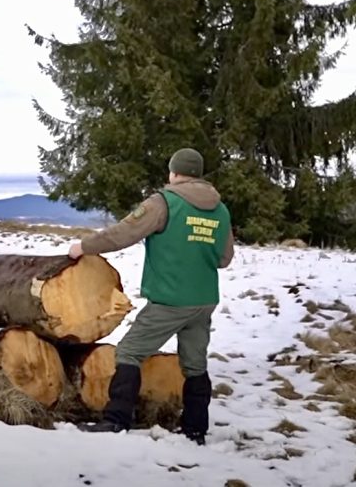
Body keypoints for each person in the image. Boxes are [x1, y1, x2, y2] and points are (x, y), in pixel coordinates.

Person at [68, 148, 234, 445]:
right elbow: (224, 258)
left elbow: (123, 234)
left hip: (171, 299)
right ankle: (196, 428)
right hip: (204, 299)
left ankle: (117, 420)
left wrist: (85, 246)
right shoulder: (220, 210)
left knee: (129, 352)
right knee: (195, 364)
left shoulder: (163, 203)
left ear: (174, 173)